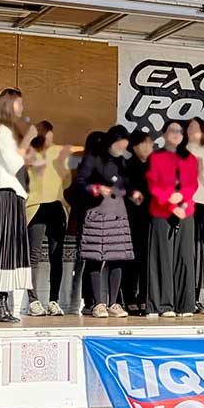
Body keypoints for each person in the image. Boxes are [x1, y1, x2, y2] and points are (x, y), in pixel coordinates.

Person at [0, 87, 45, 321]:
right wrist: (28, 139)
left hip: (6, 197)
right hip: (3, 196)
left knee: (2, 248)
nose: (22, 107)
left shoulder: (2, 131)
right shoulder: (3, 131)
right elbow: (14, 162)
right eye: (18, 103)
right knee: (2, 248)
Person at [75, 126, 135, 318]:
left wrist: (133, 193)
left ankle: (114, 302)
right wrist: (95, 188)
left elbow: (127, 185)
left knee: (118, 258)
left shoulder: (122, 162)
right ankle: (97, 303)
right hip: (98, 213)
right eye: (121, 143)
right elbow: (81, 182)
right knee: (95, 258)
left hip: (118, 213)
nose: (123, 147)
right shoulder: (93, 158)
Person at [145, 119, 199, 318]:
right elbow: (154, 185)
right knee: (162, 258)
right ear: (164, 134)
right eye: (172, 130)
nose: (176, 133)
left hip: (185, 212)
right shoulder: (155, 157)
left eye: (179, 130)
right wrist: (170, 203)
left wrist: (182, 201)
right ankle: (163, 305)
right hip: (162, 211)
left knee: (185, 258)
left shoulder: (190, 158)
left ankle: (185, 305)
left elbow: (192, 185)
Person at [24, 121, 74, 317]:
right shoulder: (30, 154)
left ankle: (54, 300)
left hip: (56, 206)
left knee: (56, 254)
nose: (51, 137)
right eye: (48, 133)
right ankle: (33, 300)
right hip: (36, 206)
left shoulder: (57, 153)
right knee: (33, 255)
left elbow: (66, 180)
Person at [122, 129, 154, 315]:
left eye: (149, 143)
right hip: (131, 217)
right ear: (133, 147)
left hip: (151, 217)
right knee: (131, 259)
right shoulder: (128, 166)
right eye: (143, 143)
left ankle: (144, 296)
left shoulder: (154, 166)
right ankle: (129, 297)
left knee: (147, 260)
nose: (147, 147)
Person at [186, 118, 204, 314]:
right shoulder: (180, 152)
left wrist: (201, 171)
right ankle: (181, 294)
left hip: (202, 204)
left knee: (199, 252)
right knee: (184, 250)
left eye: (197, 129)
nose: (193, 132)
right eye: (190, 128)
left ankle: (196, 297)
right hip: (183, 204)